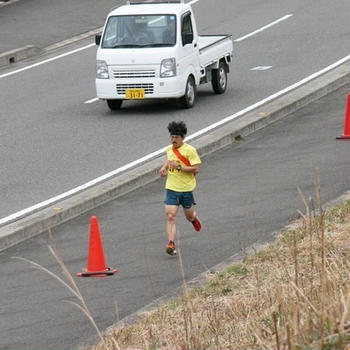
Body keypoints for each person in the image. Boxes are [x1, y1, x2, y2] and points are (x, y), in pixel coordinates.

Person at [159, 121, 202, 256]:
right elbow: (168, 160)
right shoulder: (169, 149)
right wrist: (163, 168)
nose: (173, 140)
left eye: (176, 137)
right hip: (171, 188)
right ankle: (170, 243)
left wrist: (179, 167)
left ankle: (194, 219)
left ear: (183, 137)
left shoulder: (190, 150)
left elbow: (196, 168)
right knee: (170, 216)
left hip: (186, 189)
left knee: (188, 216)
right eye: (172, 137)